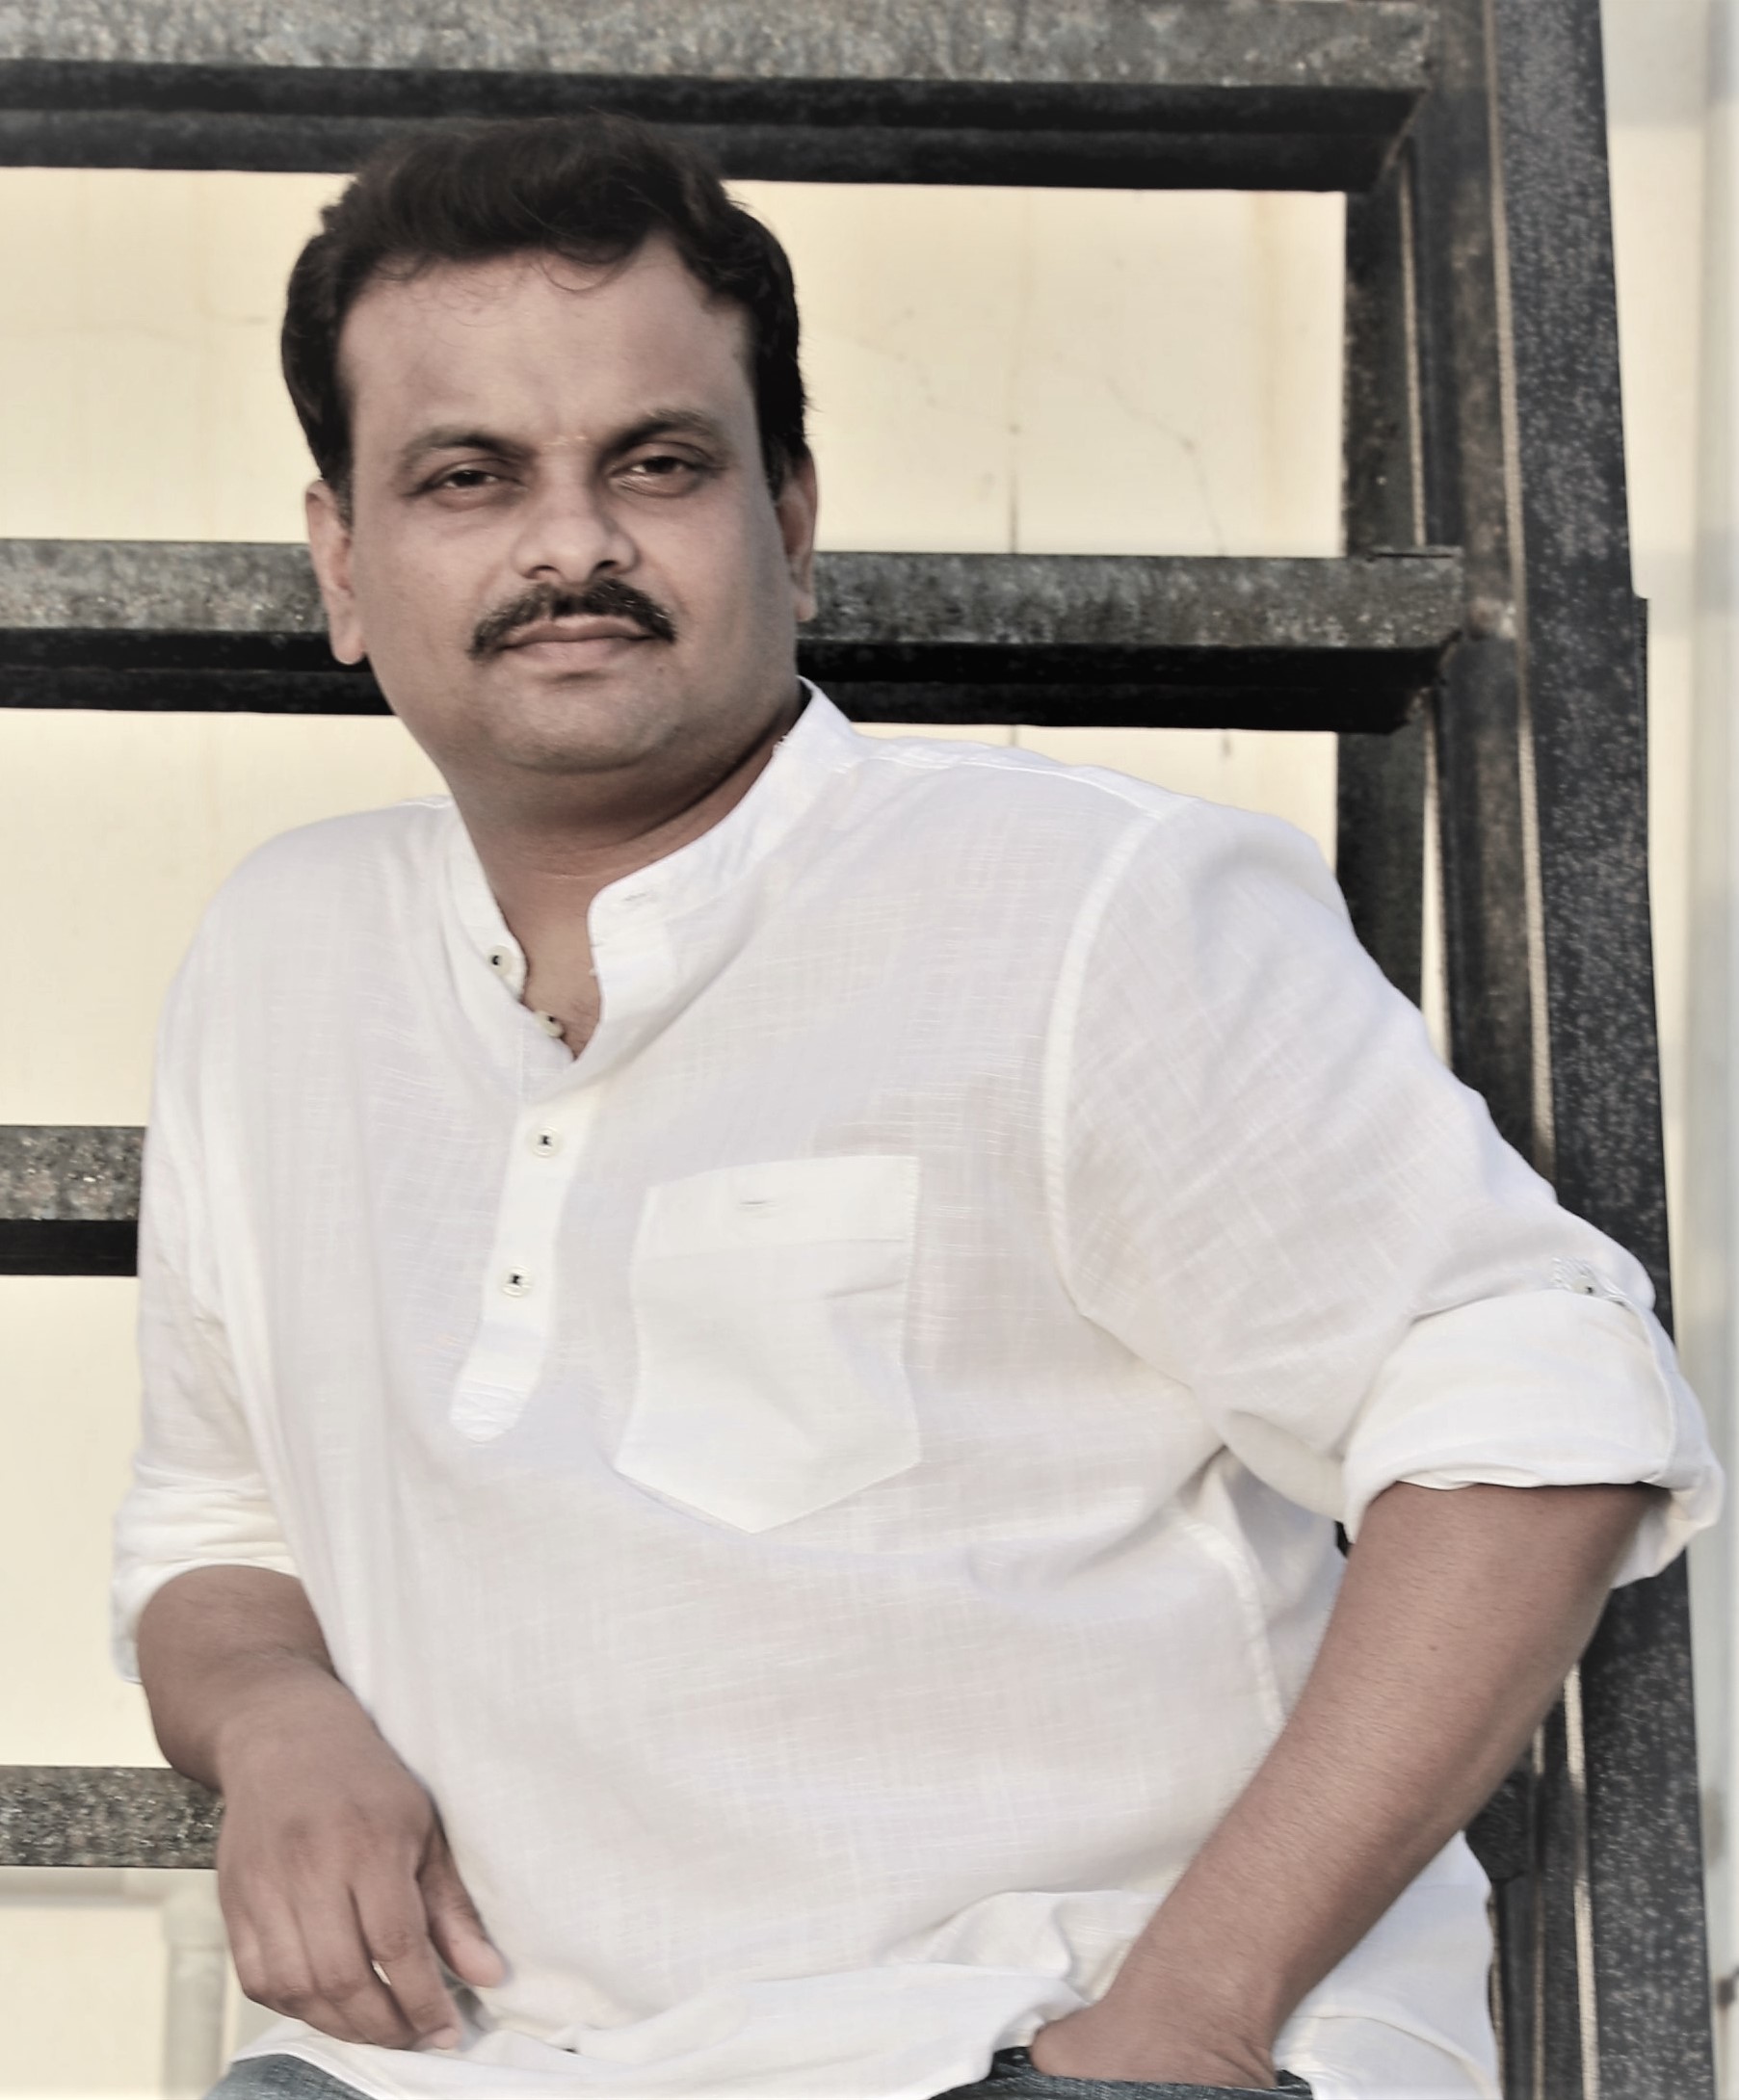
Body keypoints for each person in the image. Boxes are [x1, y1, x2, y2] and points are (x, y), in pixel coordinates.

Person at [113, 114, 1719, 2100]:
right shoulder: (279, 959)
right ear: (344, 565)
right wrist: (274, 1717)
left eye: (659, 464)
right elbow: (213, 1527)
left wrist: (1189, 2016)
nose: (569, 546)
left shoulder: (1086, 911)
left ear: (790, 519)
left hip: (1027, 2029)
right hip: (475, 2062)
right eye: (470, 477)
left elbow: (1533, 1405)